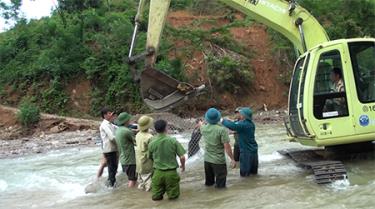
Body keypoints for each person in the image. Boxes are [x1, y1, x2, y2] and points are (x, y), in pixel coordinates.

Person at [148, 120, 186, 201]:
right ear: (166, 128)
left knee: (156, 198)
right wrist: (183, 166)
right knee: (173, 199)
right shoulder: (173, 141)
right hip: (171, 173)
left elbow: (150, 157)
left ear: (155, 129)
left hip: (157, 173)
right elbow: (182, 157)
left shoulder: (152, 142)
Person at [201, 108, 235, 188]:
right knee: (221, 186)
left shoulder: (203, 128)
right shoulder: (222, 130)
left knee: (209, 184)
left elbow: (201, 125)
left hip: (207, 160)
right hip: (218, 161)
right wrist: (232, 159)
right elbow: (227, 147)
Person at [222, 107, 258, 177]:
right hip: (253, 151)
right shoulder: (250, 124)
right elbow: (237, 125)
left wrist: (222, 120)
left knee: (244, 176)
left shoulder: (243, 125)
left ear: (244, 116)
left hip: (246, 152)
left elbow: (231, 126)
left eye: (241, 114)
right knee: (254, 174)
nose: (240, 115)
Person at [115, 112, 137, 188]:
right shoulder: (127, 131)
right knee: (132, 179)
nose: (130, 120)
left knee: (130, 178)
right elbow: (136, 142)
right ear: (126, 121)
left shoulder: (118, 131)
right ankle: (131, 195)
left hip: (123, 159)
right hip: (130, 160)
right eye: (129, 119)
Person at [99, 107, 118, 187]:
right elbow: (112, 137)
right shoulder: (104, 125)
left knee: (113, 168)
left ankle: (110, 185)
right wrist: (120, 141)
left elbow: (119, 129)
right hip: (109, 150)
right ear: (105, 115)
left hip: (112, 149)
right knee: (111, 169)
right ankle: (110, 187)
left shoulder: (110, 124)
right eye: (109, 113)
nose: (111, 115)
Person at [135, 115, 154, 191]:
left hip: (139, 162)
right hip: (147, 163)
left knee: (141, 182)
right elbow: (152, 151)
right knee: (149, 184)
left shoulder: (138, 134)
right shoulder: (150, 137)